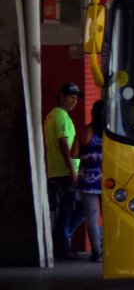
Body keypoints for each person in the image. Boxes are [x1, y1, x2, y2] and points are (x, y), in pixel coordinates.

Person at [44, 83, 85, 259]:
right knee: (79, 206)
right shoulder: (60, 116)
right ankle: (64, 244)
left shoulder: (53, 115)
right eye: (71, 97)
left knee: (68, 206)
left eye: (76, 98)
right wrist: (72, 170)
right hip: (65, 171)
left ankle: (63, 241)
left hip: (58, 170)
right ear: (61, 96)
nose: (74, 101)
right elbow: (63, 144)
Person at [72, 100, 104, 262]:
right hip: (107, 181)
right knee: (110, 217)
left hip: (86, 180)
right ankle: (110, 247)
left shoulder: (84, 130)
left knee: (91, 216)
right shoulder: (110, 132)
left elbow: (74, 153)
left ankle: (96, 251)